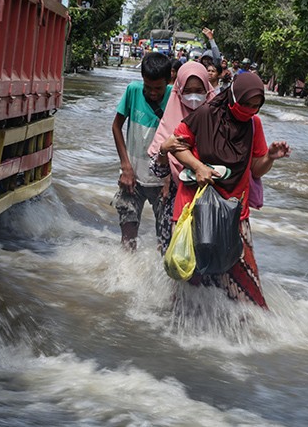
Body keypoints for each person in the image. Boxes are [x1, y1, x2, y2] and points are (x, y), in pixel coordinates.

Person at [168, 72, 291, 307]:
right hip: (194, 209)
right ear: (233, 96)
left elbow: (256, 169)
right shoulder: (205, 115)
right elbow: (175, 145)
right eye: (246, 104)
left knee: (247, 287)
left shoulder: (254, 125)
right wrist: (198, 166)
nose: (250, 110)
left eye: (256, 106)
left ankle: (249, 335)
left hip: (234, 212)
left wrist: (271, 157)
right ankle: (180, 333)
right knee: (188, 282)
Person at [146, 62, 217, 253]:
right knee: (175, 261)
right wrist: (164, 150)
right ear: (179, 90)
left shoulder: (220, 120)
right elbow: (158, 170)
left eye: (199, 90)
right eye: (188, 90)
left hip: (211, 204)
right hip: (176, 202)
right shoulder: (171, 122)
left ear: (208, 90)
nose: (194, 96)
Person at [111, 52, 173, 251]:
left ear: (168, 80)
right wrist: (125, 166)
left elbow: (181, 140)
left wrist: (170, 178)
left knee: (164, 243)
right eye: (148, 87)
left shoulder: (174, 98)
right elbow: (116, 127)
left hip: (162, 181)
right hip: (133, 178)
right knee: (127, 242)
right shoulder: (133, 91)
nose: (153, 93)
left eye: (158, 88)